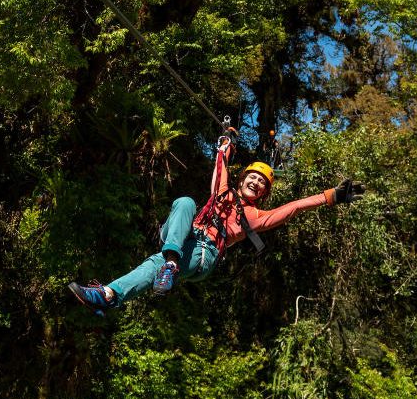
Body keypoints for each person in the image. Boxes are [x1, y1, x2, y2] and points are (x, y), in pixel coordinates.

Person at [68, 134, 365, 314]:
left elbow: (294, 207)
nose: (256, 182)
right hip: (180, 238)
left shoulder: (257, 217)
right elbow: (220, 165)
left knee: (158, 263)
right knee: (184, 203)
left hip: (203, 255)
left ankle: (110, 293)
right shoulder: (222, 193)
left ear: (264, 192)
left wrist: (330, 196)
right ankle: (119, 290)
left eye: (262, 183)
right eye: (253, 176)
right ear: (242, 178)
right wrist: (225, 144)